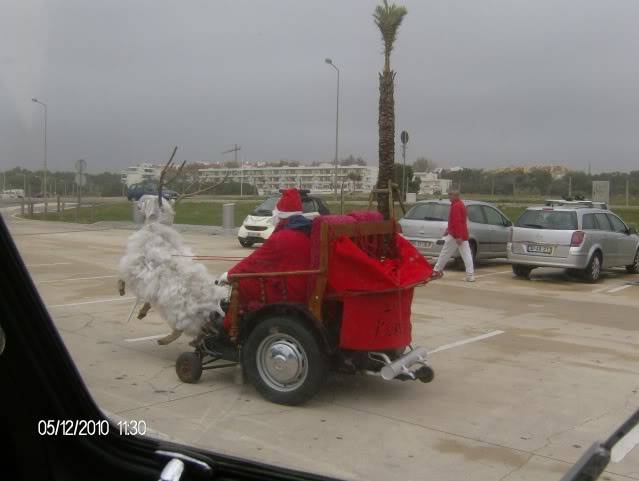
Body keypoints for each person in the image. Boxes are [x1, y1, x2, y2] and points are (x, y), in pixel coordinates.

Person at [219, 188, 313, 320]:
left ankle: (232, 325)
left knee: (242, 284)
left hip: (290, 292)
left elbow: (255, 261)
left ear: (280, 215)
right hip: (305, 286)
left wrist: (230, 275)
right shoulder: (306, 230)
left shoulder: (283, 237)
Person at [431, 189, 475, 282]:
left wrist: (457, 236)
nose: (449, 197)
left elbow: (457, 222)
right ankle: (470, 275)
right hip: (462, 234)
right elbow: (456, 221)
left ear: (456, 196)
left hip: (455, 235)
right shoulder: (460, 204)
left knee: (445, 252)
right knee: (467, 255)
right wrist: (449, 229)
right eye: (449, 195)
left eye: (450, 195)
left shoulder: (456, 206)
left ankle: (436, 270)